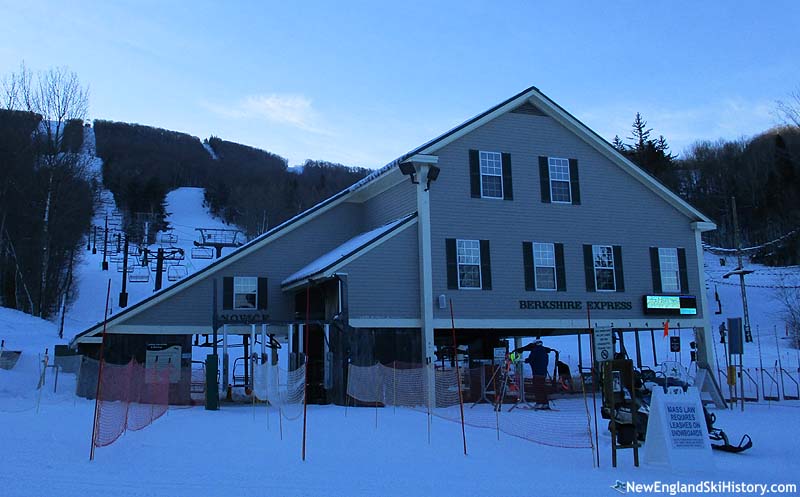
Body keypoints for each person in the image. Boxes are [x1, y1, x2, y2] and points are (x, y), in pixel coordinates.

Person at [513, 339, 555, 409]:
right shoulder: (544, 351)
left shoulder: (535, 351)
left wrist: (520, 360)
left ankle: (539, 403)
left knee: (537, 389)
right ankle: (545, 403)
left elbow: (531, 359)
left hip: (536, 373)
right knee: (542, 388)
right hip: (543, 373)